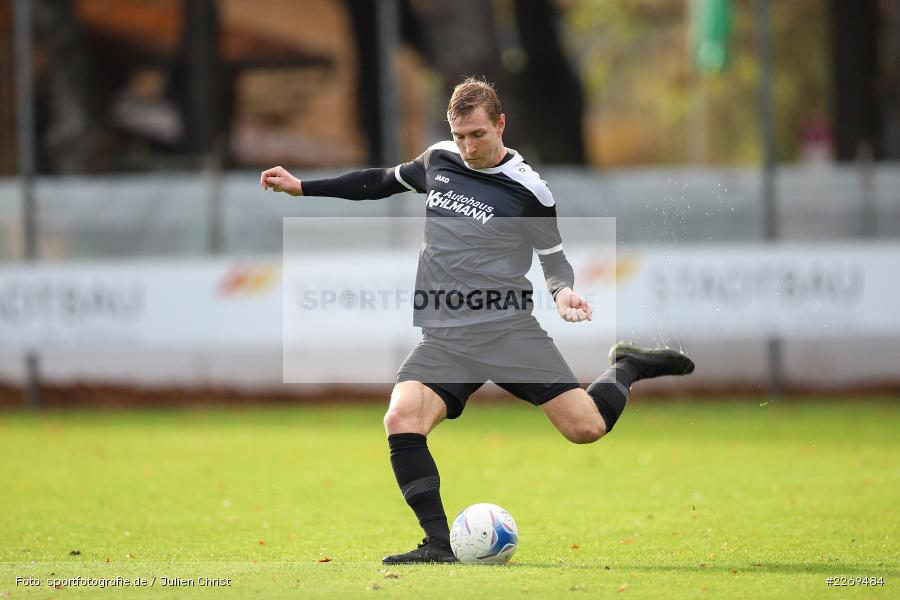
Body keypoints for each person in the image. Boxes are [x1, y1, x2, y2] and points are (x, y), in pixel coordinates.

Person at [260, 77, 694, 564]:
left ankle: (629, 366)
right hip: (445, 337)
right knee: (401, 418)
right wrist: (304, 188)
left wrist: (563, 291)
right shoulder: (439, 159)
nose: (468, 147)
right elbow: (380, 182)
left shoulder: (529, 189)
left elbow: (553, 259)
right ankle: (439, 544)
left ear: (501, 124)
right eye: (460, 134)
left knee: (585, 429)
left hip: (506, 330)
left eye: (478, 135)